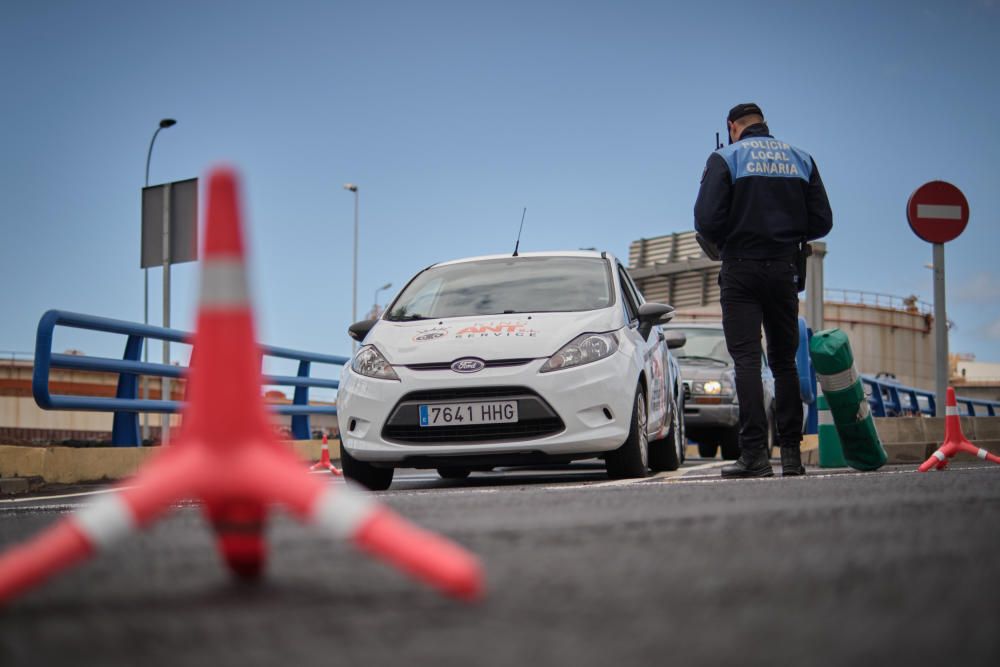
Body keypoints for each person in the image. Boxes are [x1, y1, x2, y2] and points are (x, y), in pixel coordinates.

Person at [694, 103, 832, 477]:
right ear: (764, 124)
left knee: (747, 362)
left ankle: (754, 454)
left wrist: (733, 235)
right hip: (785, 269)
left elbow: (706, 221)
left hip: (740, 269)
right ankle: (790, 455)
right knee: (785, 362)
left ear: (732, 126)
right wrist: (787, 231)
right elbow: (823, 220)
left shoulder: (726, 157)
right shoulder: (800, 158)